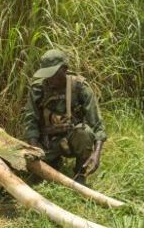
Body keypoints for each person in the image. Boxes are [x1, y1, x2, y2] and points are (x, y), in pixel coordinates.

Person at [23, 49, 107, 185]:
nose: (49, 79)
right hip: (47, 142)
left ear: (64, 69)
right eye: (46, 75)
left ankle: (80, 173)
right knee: (35, 173)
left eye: (53, 74)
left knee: (84, 133)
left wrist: (96, 153)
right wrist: (34, 152)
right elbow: (30, 121)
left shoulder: (79, 87)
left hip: (72, 139)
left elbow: (97, 125)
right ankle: (51, 162)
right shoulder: (38, 88)